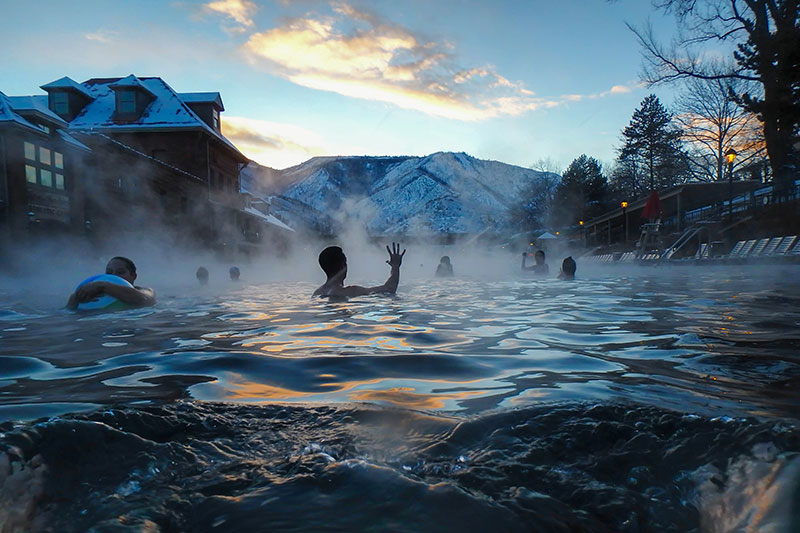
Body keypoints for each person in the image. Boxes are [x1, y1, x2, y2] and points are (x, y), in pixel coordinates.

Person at [313, 242, 405, 297]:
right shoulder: (350, 292)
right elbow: (389, 289)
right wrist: (395, 267)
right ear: (343, 266)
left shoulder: (317, 293)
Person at [67, 256, 156, 309]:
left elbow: (146, 300)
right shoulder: (94, 292)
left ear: (133, 276)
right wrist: (76, 299)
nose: (114, 276)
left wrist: (102, 285)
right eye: (109, 273)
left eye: (120, 272)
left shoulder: (145, 290)